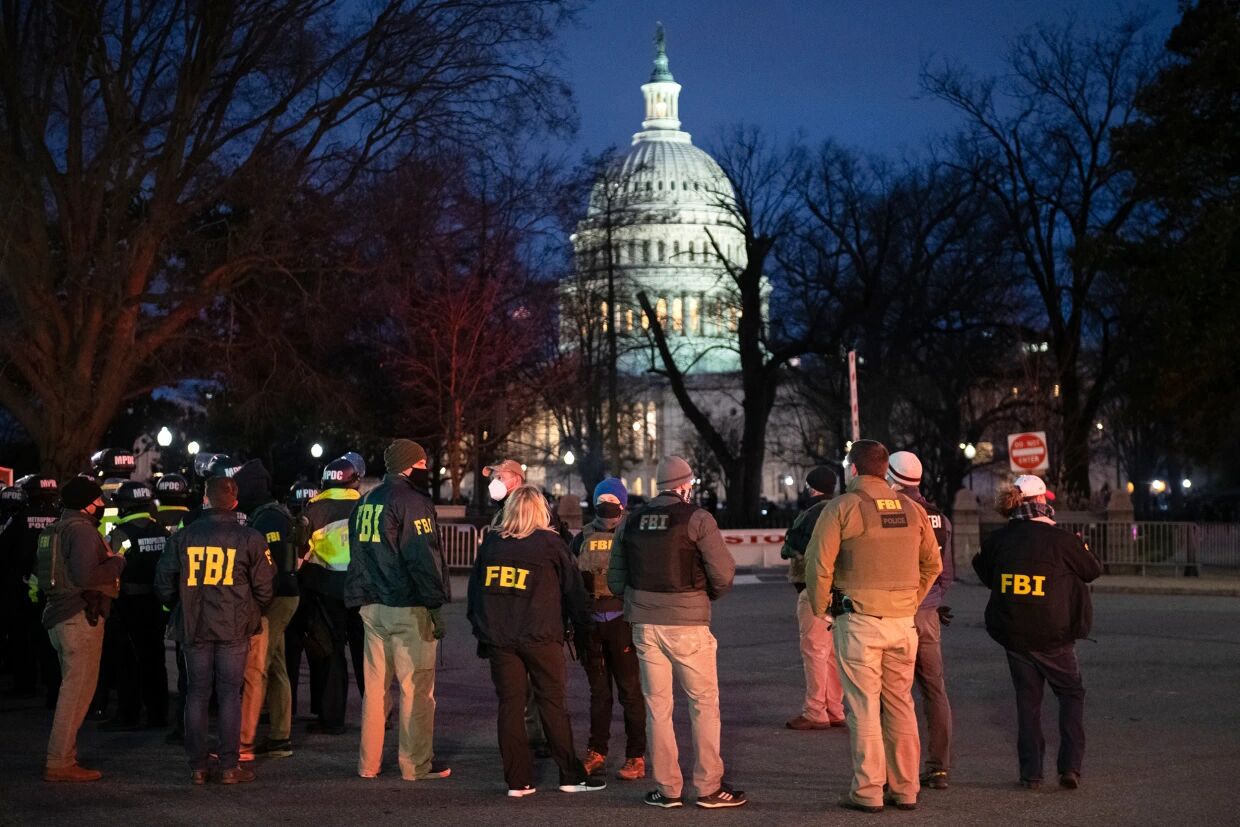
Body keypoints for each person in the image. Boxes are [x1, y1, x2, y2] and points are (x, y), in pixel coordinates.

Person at [804, 439, 942, 813]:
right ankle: (907, 788)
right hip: (903, 624)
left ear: (853, 469)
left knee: (863, 708)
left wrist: (822, 610)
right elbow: (934, 564)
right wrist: (910, 601)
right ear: (885, 470)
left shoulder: (843, 507)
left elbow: (818, 565)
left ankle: (868, 791)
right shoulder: (912, 510)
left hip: (860, 621)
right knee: (900, 705)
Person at [608, 456, 746, 810]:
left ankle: (667, 789)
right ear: (684, 485)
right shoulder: (697, 518)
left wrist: (640, 603)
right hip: (688, 623)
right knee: (703, 705)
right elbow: (723, 573)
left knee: (658, 708)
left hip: (644, 625)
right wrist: (705, 597)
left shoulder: (632, 521)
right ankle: (708, 787)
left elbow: (615, 579)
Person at [468, 485, 604, 798]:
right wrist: (584, 632)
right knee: (552, 704)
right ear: (539, 511)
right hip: (541, 636)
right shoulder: (550, 543)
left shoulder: (491, 543)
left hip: (501, 638)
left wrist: (482, 630)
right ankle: (570, 775)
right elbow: (573, 592)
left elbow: (476, 593)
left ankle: (518, 780)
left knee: (510, 706)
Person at [972, 475, 1102, 791]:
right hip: (1054, 634)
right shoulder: (1062, 540)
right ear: (1043, 502)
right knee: (1071, 694)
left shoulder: (999, 539)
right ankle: (1070, 767)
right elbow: (1091, 570)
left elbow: (984, 572)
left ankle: (1031, 773)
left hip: (1014, 632)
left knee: (1027, 702)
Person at [156, 476, 274, 785]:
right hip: (234, 625)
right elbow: (265, 588)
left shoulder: (184, 536)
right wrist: (252, 611)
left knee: (196, 692)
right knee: (229, 694)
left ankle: (197, 765)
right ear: (235, 503)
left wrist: (180, 605)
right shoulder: (249, 537)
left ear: (205, 500)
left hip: (195, 624)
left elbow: (164, 583)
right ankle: (229, 766)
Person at [346, 439, 452, 781]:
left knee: (375, 692)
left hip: (371, 605)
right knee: (417, 689)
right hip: (407, 605)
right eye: (422, 464)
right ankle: (415, 765)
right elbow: (423, 559)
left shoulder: (365, 501)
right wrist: (434, 605)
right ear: (411, 465)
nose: (426, 470)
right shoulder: (412, 502)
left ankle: (369, 764)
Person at [35, 476, 125, 782]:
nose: (101, 505)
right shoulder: (83, 531)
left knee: (71, 689)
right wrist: (117, 562)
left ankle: (62, 757)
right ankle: (60, 762)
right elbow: (87, 576)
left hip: (58, 616)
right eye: (98, 500)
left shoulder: (54, 529)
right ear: (88, 504)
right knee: (76, 693)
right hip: (79, 616)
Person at [886, 451, 955, 790]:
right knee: (934, 690)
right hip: (928, 612)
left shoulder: (892, 514)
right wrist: (931, 602)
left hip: (894, 611)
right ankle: (938, 766)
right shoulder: (940, 518)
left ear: (891, 477)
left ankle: (895, 772)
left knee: (893, 694)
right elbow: (946, 574)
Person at [570, 478, 646, 780]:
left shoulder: (633, 534)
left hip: (622, 621)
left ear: (623, 503)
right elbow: (571, 580)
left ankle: (635, 756)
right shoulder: (583, 536)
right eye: (602, 498)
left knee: (630, 692)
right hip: (592, 623)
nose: (606, 504)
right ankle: (597, 752)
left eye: (612, 499)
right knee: (599, 693)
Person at [234, 459, 300, 760]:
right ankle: (279, 737)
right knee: (275, 665)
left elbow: (270, 566)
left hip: (274, 598)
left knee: (257, 667)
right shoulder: (269, 514)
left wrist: (258, 599)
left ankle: (249, 740)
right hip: (280, 595)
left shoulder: (269, 518)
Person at [296, 456, 362, 735]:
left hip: (325, 589)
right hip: (361, 588)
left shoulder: (314, 508)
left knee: (332, 655)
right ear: (353, 479)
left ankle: (332, 718)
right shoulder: (365, 506)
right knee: (366, 655)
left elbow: (300, 550)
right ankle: (379, 715)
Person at [779, 465, 846, 731]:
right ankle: (835, 708)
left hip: (815, 587)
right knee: (832, 652)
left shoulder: (809, 514)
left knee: (814, 650)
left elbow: (790, 548)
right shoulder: (843, 509)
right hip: (841, 588)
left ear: (811, 487)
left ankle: (815, 709)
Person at [101, 481, 170, 731]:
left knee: (127, 661)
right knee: (155, 658)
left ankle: (128, 714)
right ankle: (158, 713)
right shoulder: (162, 531)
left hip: (128, 605)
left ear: (125, 505)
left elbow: (107, 567)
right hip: (156, 604)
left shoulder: (121, 533)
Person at [1, 475, 60, 704]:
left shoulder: (20, 519)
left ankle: (25, 684)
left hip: (21, 588)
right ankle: (52, 687)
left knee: (22, 638)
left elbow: (4, 551)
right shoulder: (60, 517)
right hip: (53, 587)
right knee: (50, 641)